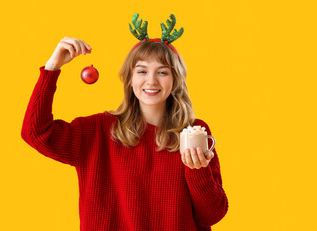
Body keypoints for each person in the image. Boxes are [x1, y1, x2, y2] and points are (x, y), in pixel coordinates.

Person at [21, 14, 228, 231]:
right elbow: (35, 133)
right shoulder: (97, 131)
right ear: (129, 78)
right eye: (142, 71)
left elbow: (211, 215)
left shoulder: (194, 132)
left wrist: (198, 170)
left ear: (175, 80)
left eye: (163, 72)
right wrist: (52, 67)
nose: (151, 81)